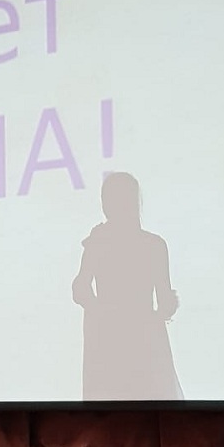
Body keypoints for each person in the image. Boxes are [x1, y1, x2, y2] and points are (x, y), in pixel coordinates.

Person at [71, 172, 183, 402]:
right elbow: (165, 303)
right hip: (143, 340)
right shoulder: (153, 245)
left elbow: (80, 288)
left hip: (108, 341)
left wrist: (100, 312)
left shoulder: (98, 242)